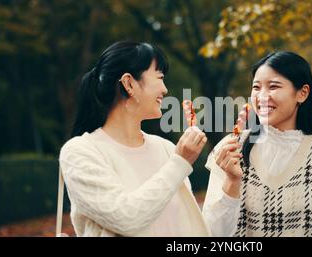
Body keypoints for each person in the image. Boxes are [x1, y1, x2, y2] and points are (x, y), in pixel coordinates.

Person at [59, 41, 209, 236]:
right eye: (160, 77)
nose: (164, 89)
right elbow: (126, 218)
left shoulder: (165, 148)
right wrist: (180, 162)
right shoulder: (81, 152)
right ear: (129, 83)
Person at [202, 51, 312, 237]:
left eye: (273, 86)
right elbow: (211, 234)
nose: (262, 96)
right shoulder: (230, 150)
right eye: (256, 87)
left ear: (302, 93)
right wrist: (232, 182)